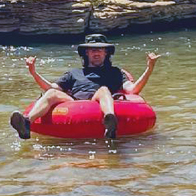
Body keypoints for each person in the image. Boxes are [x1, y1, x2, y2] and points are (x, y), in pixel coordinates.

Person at [10, 34, 160, 140]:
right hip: (74, 101)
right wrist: (34, 72)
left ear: (106, 53)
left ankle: (110, 120)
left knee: (103, 89)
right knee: (50, 93)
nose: (96, 52)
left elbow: (133, 90)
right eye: (92, 49)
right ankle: (26, 122)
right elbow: (50, 87)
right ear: (86, 53)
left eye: (100, 49)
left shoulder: (116, 72)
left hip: (98, 99)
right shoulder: (73, 73)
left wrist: (149, 68)